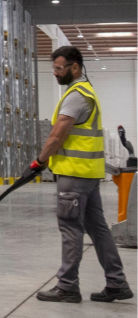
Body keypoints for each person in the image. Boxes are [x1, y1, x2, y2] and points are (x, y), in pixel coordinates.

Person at [32, 46, 132, 303]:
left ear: (74, 67)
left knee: (70, 229)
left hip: (74, 175)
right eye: (53, 68)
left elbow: (57, 134)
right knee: (98, 229)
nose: (55, 73)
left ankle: (67, 286)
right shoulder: (84, 92)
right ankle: (117, 283)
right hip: (87, 175)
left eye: (58, 68)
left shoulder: (76, 95)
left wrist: (39, 161)